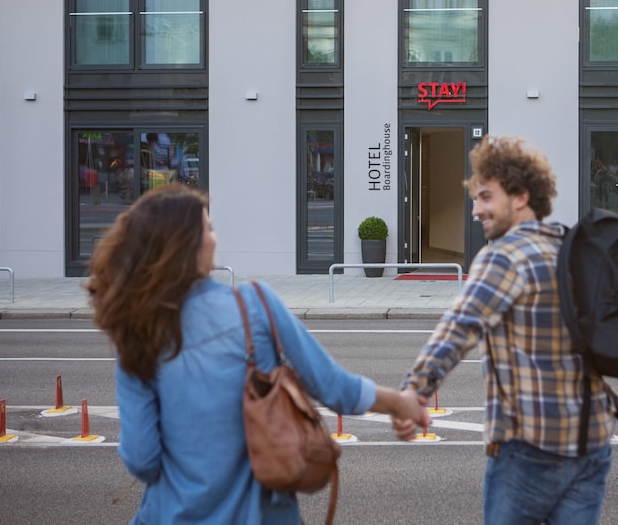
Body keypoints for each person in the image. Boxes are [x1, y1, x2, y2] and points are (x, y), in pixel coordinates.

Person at [86, 185, 430, 524]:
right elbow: (334, 387)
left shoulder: (137, 332)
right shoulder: (255, 304)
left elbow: (142, 460)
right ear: (185, 244)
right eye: (208, 229)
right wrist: (401, 404)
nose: (215, 238)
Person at [396, 135, 615, 524]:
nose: (475, 209)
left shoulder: (504, 256)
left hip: (531, 445)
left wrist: (413, 392)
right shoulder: (568, 247)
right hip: (592, 441)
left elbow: (459, 328)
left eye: (485, 197)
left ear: (520, 197)